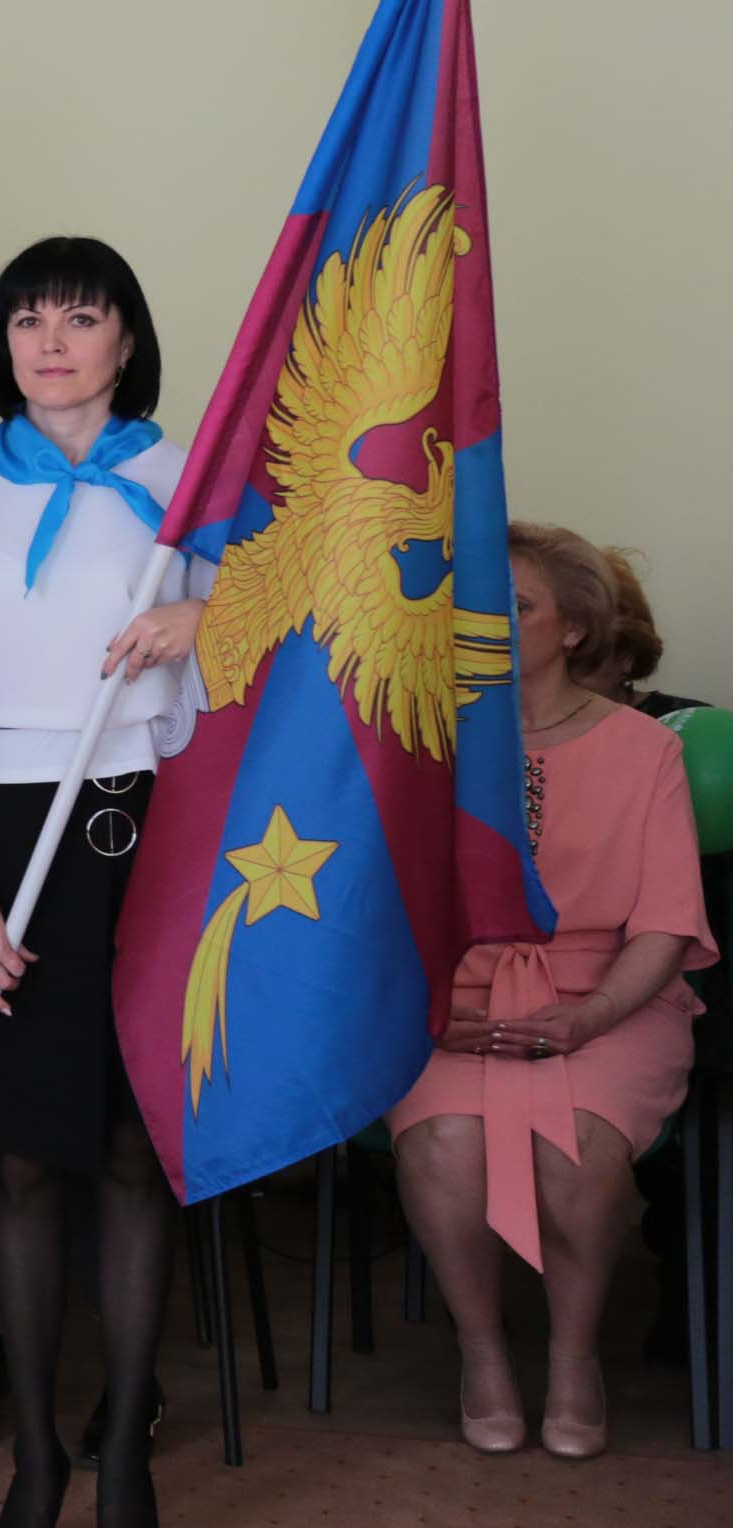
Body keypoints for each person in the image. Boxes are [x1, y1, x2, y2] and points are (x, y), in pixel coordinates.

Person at [0, 237, 209, 1528]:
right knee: (26, 1159)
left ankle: (127, 1449)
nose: (50, 339)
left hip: (147, 825)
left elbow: (292, 629)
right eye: (28, 315)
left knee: (137, 1148)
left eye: (81, 317)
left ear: (126, 340)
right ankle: (35, 1454)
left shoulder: (190, 480)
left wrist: (207, 615)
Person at [388, 522, 716, 1459]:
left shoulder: (644, 750)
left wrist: (591, 1015)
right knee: (445, 1143)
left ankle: (575, 1358)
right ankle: (482, 1351)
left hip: (613, 998)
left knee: (572, 1148)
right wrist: (429, 1008)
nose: (484, 619)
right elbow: (375, 908)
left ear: (573, 629)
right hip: (449, 1001)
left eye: (516, 605)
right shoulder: (418, 737)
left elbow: (664, 926)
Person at [573, 544, 729, 1365]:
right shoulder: (492, 741)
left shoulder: (689, 737)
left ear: (623, 651)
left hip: (688, 990)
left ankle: (695, 1297)